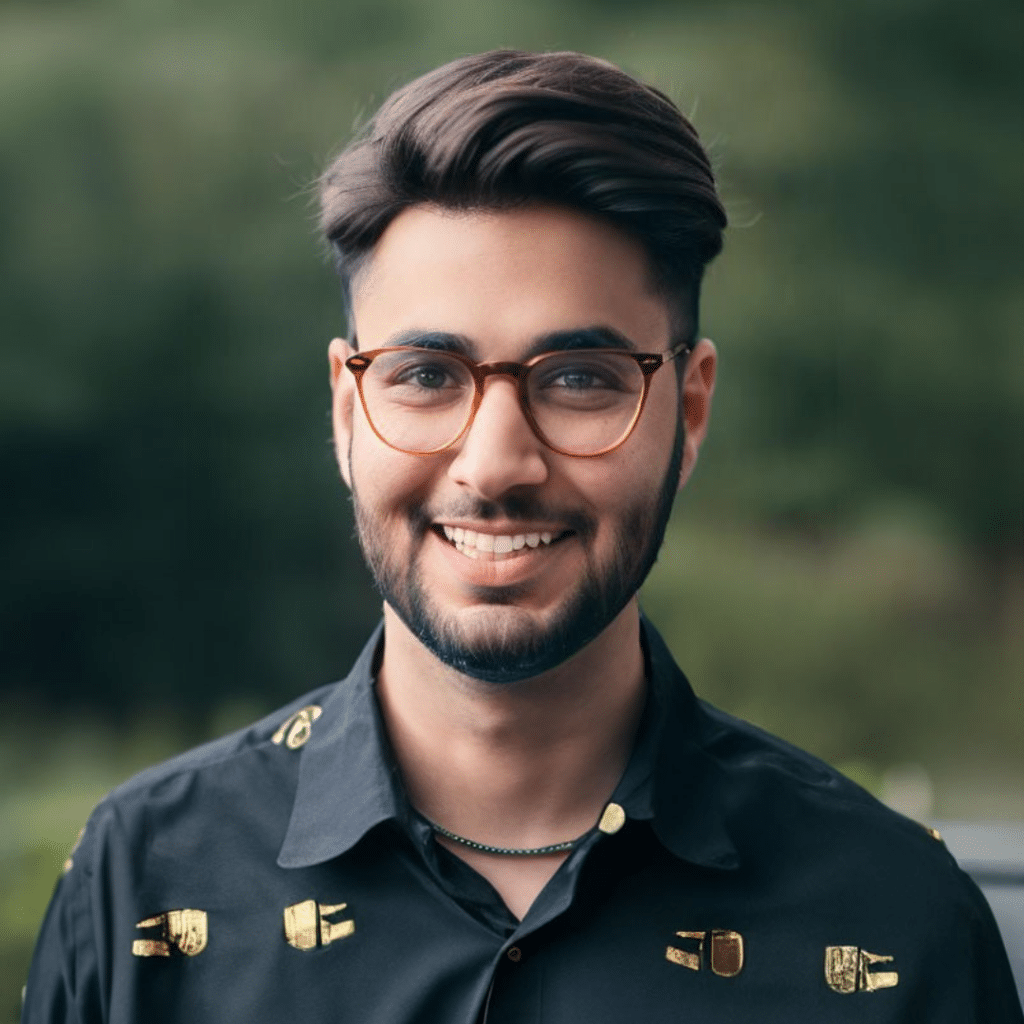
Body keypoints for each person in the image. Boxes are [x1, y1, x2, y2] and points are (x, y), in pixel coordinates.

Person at [22, 49, 1022, 1024]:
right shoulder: (142, 885)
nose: (495, 465)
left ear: (691, 406)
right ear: (344, 410)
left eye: (580, 378)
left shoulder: (894, 924)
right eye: (424, 374)